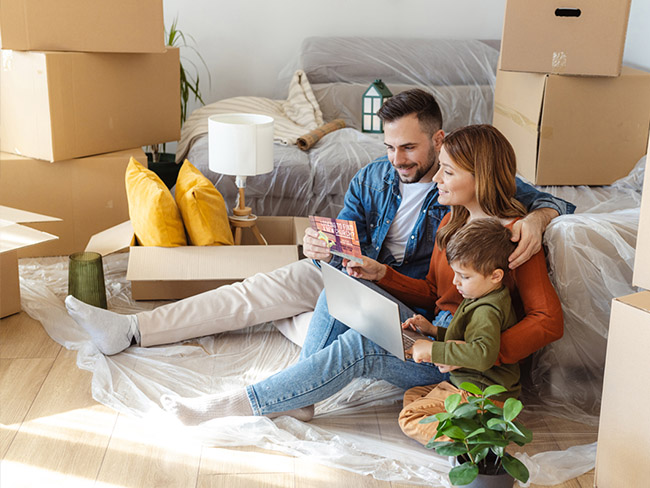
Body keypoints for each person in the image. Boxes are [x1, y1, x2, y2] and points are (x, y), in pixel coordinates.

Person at [65, 89, 573, 357]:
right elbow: (346, 231)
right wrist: (323, 244)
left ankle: (323, 351)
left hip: (406, 297)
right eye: (388, 146)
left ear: (439, 141)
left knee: (285, 307)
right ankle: (131, 329)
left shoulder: (464, 178)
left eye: (409, 147)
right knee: (259, 290)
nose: (397, 158)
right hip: (363, 277)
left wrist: (539, 217)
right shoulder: (374, 175)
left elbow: (551, 200)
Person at [159, 124, 564, 424]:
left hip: (462, 357)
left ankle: (243, 403)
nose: (436, 179)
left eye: (448, 173)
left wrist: (469, 352)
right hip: (438, 332)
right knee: (342, 284)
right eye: (439, 169)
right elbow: (432, 294)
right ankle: (297, 392)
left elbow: (548, 321)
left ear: (481, 177)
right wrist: (380, 273)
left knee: (359, 346)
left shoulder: (514, 236)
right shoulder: (451, 223)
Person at [397, 217, 521, 445]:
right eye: (455, 273)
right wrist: (433, 330)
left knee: (408, 417)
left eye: (464, 276)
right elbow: (466, 338)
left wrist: (433, 351)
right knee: (413, 395)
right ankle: (463, 423)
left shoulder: (487, 310)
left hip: (482, 395)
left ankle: (469, 441)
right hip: (466, 385)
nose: (456, 282)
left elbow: (483, 354)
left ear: (495, 275)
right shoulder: (481, 293)